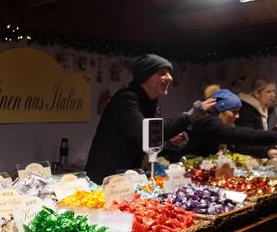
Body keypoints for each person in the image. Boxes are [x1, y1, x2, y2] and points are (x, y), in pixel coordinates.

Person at [85, 54, 215, 184]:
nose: (170, 78)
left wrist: (167, 143)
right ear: (145, 76)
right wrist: (189, 116)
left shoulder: (151, 103)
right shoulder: (126, 99)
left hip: (125, 176)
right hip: (104, 178)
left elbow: (144, 141)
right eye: (162, 72)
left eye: (169, 73)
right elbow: (145, 133)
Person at [167, 89, 277, 160]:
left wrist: (268, 151)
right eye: (234, 112)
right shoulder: (207, 121)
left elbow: (238, 146)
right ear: (221, 110)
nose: (237, 116)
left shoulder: (217, 123)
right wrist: (276, 136)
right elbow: (234, 135)